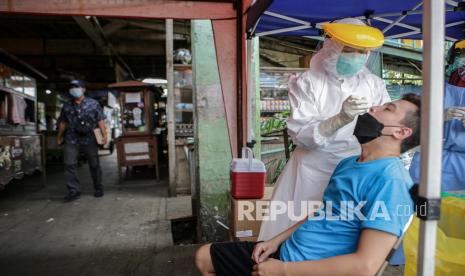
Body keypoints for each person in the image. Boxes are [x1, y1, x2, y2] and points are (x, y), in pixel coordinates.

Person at [195, 94, 421, 276]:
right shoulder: (349, 163)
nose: (373, 108)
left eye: (387, 109)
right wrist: (276, 240)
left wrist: (283, 270)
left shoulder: (391, 182)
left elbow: (365, 266)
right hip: (290, 251)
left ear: (401, 132)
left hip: (306, 267)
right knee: (204, 257)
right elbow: (324, 213)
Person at [259, 18, 391, 240]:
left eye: (363, 52)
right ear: (332, 47)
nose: (357, 57)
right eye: (350, 50)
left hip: (356, 170)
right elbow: (302, 137)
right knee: (298, 233)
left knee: (344, 236)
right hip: (312, 169)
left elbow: (387, 126)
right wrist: (340, 118)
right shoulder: (307, 82)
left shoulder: (374, 84)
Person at [409, 41, 465, 191]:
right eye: (463, 55)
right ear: (453, 59)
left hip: (462, 168)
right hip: (429, 161)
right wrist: (438, 117)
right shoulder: (434, 89)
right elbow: (408, 123)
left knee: (458, 212)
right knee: (425, 211)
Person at [57, 80, 107, 202]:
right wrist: (59, 137)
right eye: (72, 87)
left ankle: (98, 187)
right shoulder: (67, 105)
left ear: (83, 89)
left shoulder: (94, 104)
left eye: (77, 87)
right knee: (69, 164)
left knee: (94, 164)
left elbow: (100, 120)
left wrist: (104, 135)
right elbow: (63, 122)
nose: (74, 89)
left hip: (89, 138)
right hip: (71, 138)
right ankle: (74, 191)